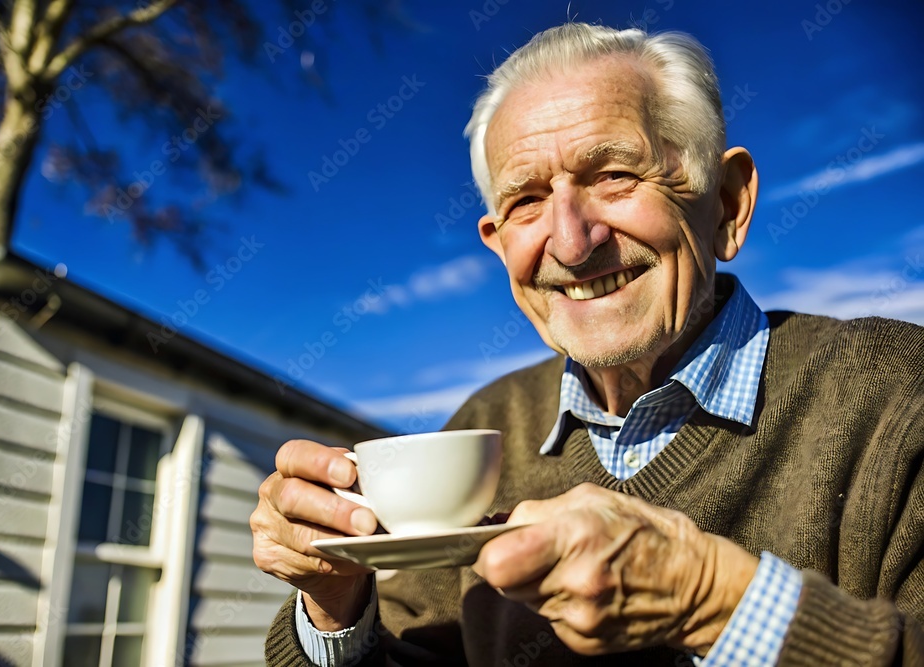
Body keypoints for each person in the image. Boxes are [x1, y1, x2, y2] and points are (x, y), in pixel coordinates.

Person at [252, 22, 924, 666]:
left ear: (725, 202)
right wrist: (335, 607)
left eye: (613, 175)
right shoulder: (486, 425)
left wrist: (712, 600)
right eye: (527, 201)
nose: (572, 242)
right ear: (498, 242)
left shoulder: (898, 390)